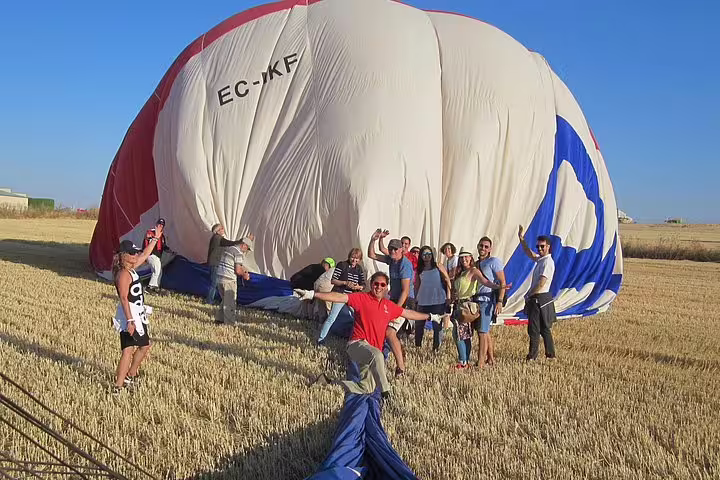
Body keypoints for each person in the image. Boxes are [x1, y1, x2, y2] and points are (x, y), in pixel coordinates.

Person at [294, 272, 443, 402]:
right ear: (371, 285)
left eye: (382, 285)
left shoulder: (389, 306)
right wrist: (313, 294)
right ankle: (387, 393)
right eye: (375, 284)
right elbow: (339, 297)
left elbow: (409, 313)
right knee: (378, 355)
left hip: (371, 351)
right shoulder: (362, 298)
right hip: (357, 345)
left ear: (386, 288)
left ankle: (328, 382)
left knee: (367, 388)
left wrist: (430, 316)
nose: (378, 287)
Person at [111, 237, 159, 394]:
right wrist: (130, 321)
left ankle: (127, 377)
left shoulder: (131, 269)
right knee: (129, 350)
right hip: (130, 317)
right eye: (131, 253)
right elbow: (124, 298)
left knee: (140, 346)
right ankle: (121, 383)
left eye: (135, 253)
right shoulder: (124, 274)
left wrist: (156, 238)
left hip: (137, 315)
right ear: (123, 255)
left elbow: (145, 255)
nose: (135, 256)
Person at [368, 230, 414, 376]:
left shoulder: (404, 265)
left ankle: (400, 368)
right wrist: (374, 239)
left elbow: (405, 291)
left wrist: (397, 310)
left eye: (396, 249)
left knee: (389, 332)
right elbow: (373, 254)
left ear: (402, 250)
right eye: (391, 248)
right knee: (384, 330)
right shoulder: (391, 259)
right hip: (393, 300)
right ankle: (389, 355)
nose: (393, 251)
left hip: (403, 302)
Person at [451, 251, 507, 369]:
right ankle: (466, 360)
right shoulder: (460, 272)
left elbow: (485, 282)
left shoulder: (474, 271)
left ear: (470, 258)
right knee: (463, 334)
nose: (464, 259)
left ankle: (464, 361)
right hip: (459, 304)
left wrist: (499, 287)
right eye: (462, 257)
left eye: (466, 257)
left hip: (467, 305)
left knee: (461, 334)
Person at [518, 226, 557, 360]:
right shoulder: (542, 260)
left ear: (548, 247)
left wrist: (529, 294)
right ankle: (550, 355)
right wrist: (521, 239)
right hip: (542, 297)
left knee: (534, 330)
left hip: (539, 297)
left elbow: (541, 282)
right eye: (538, 247)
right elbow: (530, 253)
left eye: (542, 247)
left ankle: (532, 356)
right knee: (544, 328)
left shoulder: (547, 263)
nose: (539, 249)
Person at [317, 248, 366, 345]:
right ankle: (321, 339)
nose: (354, 260)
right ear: (349, 256)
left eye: (356, 259)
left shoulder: (359, 269)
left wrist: (358, 286)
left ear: (359, 259)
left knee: (358, 317)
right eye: (352, 257)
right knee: (332, 317)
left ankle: (355, 339)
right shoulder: (342, 265)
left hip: (352, 296)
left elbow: (363, 284)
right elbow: (333, 280)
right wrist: (345, 283)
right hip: (340, 294)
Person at [474, 237, 507, 367]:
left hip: (487, 300)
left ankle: (481, 361)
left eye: (486, 246)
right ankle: (491, 358)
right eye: (481, 245)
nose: (483, 248)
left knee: (482, 331)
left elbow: (502, 282)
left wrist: (499, 301)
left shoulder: (494, 261)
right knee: (484, 331)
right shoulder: (475, 264)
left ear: (490, 249)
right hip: (477, 299)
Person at [414, 246, 452, 352]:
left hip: (438, 300)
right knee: (419, 325)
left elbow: (447, 280)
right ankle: (418, 346)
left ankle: (436, 348)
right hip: (423, 300)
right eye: (424, 254)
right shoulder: (419, 269)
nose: (427, 256)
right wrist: (416, 299)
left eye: (429, 254)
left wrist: (448, 297)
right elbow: (417, 285)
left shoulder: (438, 266)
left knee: (437, 326)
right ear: (421, 256)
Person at [215, 237, 254, 325]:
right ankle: (229, 323)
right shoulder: (238, 253)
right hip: (229, 280)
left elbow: (232, 264)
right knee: (230, 303)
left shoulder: (229, 249)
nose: (246, 251)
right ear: (243, 245)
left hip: (220, 278)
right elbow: (237, 270)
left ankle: (219, 319)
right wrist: (245, 275)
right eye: (247, 248)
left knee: (225, 300)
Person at [206, 225, 249, 304]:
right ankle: (209, 301)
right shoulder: (218, 238)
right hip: (215, 263)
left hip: (215, 263)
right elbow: (230, 243)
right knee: (214, 283)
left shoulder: (216, 238)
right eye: (222, 228)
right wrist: (242, 240)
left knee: (215, 283)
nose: (223, 229)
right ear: (218, 231)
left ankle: (211, 300)